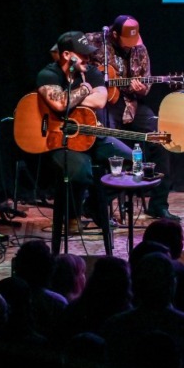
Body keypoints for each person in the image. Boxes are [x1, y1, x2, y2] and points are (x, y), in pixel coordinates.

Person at [85, 15, 179, 220]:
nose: (131, 47)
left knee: (161, 137)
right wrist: (89, 80)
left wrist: (143, 89)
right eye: (126, 41)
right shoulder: (94, 40)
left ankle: (158, 204)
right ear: (114, 34)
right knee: (108, 145)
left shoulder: (140, 48)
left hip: (131, 104)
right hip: (103, 104)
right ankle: (95, 204)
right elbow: (64, 56)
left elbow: (146, 87)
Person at [37, 31, 126, 233]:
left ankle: (93, 205)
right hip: (61, 138)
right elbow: (59, 104)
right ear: (67, 55)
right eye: (83, 54)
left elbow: (100, 100)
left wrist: (70, 98)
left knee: (132, 161)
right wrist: (85, 89)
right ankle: (72, 215)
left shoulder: (91, 72)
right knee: (80, 172)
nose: (88, 58)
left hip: (91, 134)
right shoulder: (48, 74)